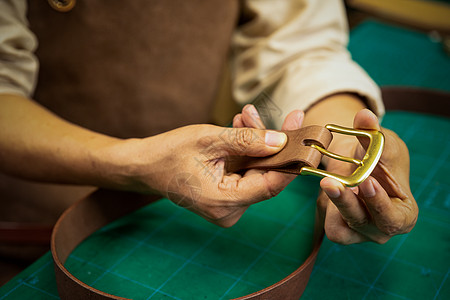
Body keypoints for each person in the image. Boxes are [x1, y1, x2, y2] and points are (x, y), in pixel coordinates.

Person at [0, 0, 417, 244]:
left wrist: (348, 146)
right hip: (29, 215)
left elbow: (297, 46)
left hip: (176, 215)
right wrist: (138, 163)